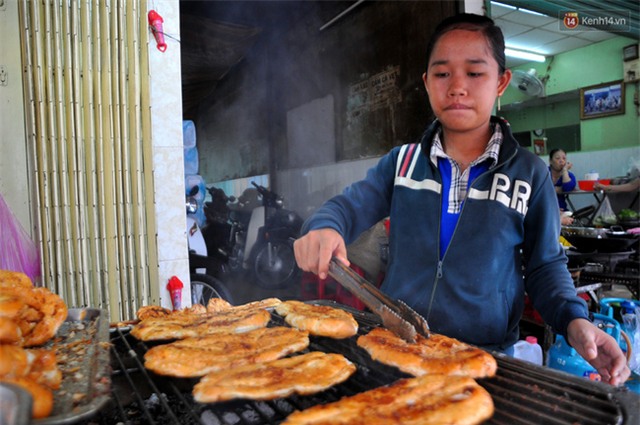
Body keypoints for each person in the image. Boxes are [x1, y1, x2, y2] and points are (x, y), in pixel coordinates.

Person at [294, 13, 629, 386]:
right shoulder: (401, 164)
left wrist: (575, 320)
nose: (457, 87)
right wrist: (324, 226)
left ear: (501, 81)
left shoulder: (530, 174)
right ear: (426, 83)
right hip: (397, 349)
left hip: (484, 358)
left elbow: (545, 266)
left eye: (474, 72)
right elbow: (347, 206)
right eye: (442, 74)